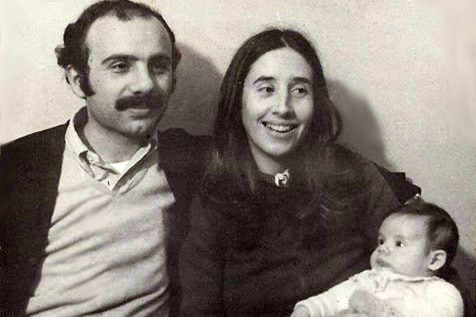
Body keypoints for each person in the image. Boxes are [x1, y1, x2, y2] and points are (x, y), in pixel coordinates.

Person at [178, 28, 420, 317]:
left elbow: (425, 271)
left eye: (300, 90)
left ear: (316, 103)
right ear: (238, 100)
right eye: (266, 89)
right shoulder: (214, 196)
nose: (283, 108)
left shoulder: (353, 173)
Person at [0, 1, 209, 316]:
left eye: (158, 66)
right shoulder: (14, 168)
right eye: (120, 65)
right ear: (76, 79)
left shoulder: (192, 161)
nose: (145, 84)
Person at [291, 201, 464, 317]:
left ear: (434, 260)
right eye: (381, 240)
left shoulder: (439, 290)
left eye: (399, 243)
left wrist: (382, 308)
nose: (382, 248)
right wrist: (306, 310)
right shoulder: (366, 280)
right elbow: (329, 299)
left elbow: (445, 313)